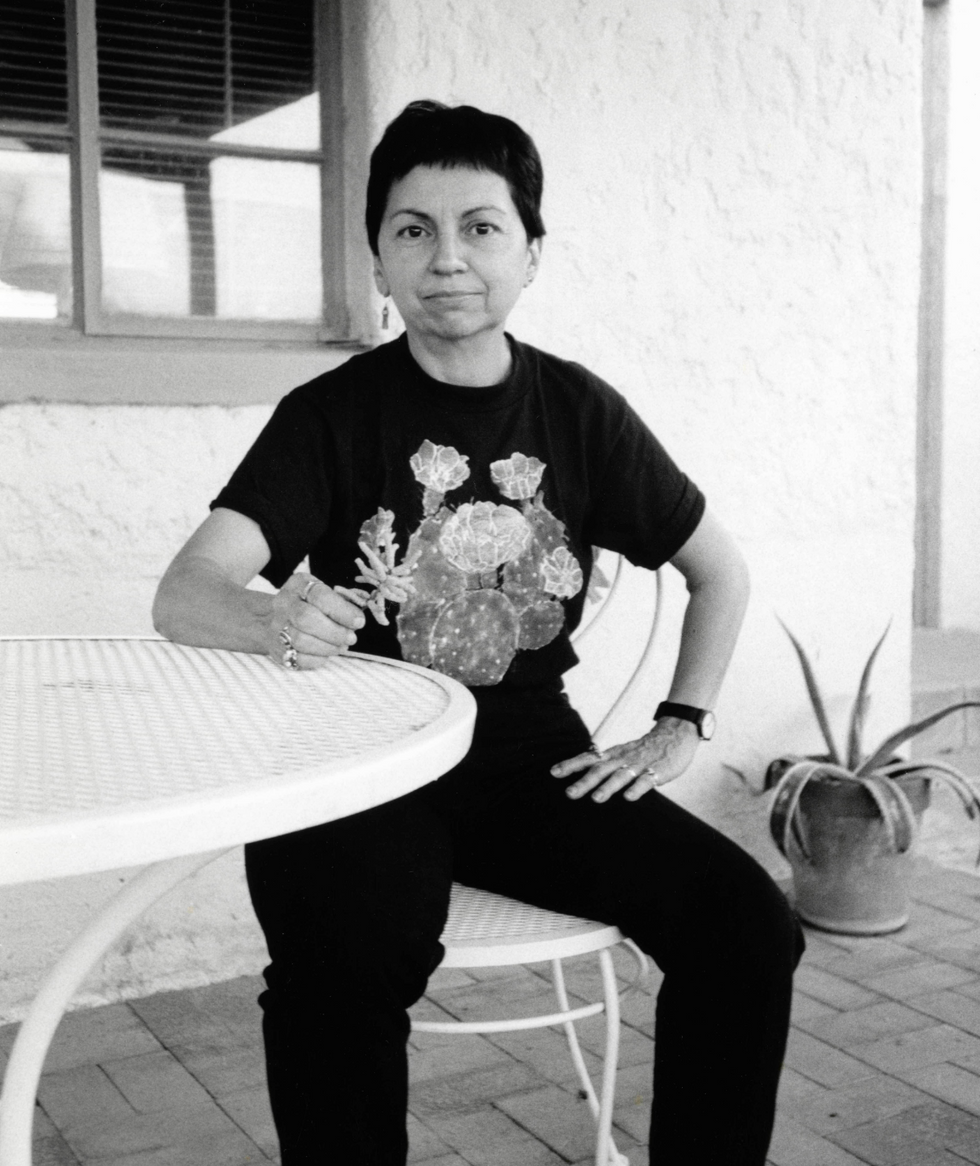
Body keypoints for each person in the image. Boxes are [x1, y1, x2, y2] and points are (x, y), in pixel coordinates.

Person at [154, 100, 804, 1166]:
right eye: (411, 228)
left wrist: (678, 720)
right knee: (349, 960)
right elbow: (186, 591)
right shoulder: (329, 413)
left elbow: (716, 569)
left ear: (531, 251)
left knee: (744, 928)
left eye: (480, 225)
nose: (445, 257)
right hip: (353, 752)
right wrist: (269, 612)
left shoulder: (580, 411)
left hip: (523, 759)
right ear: (377, 256)